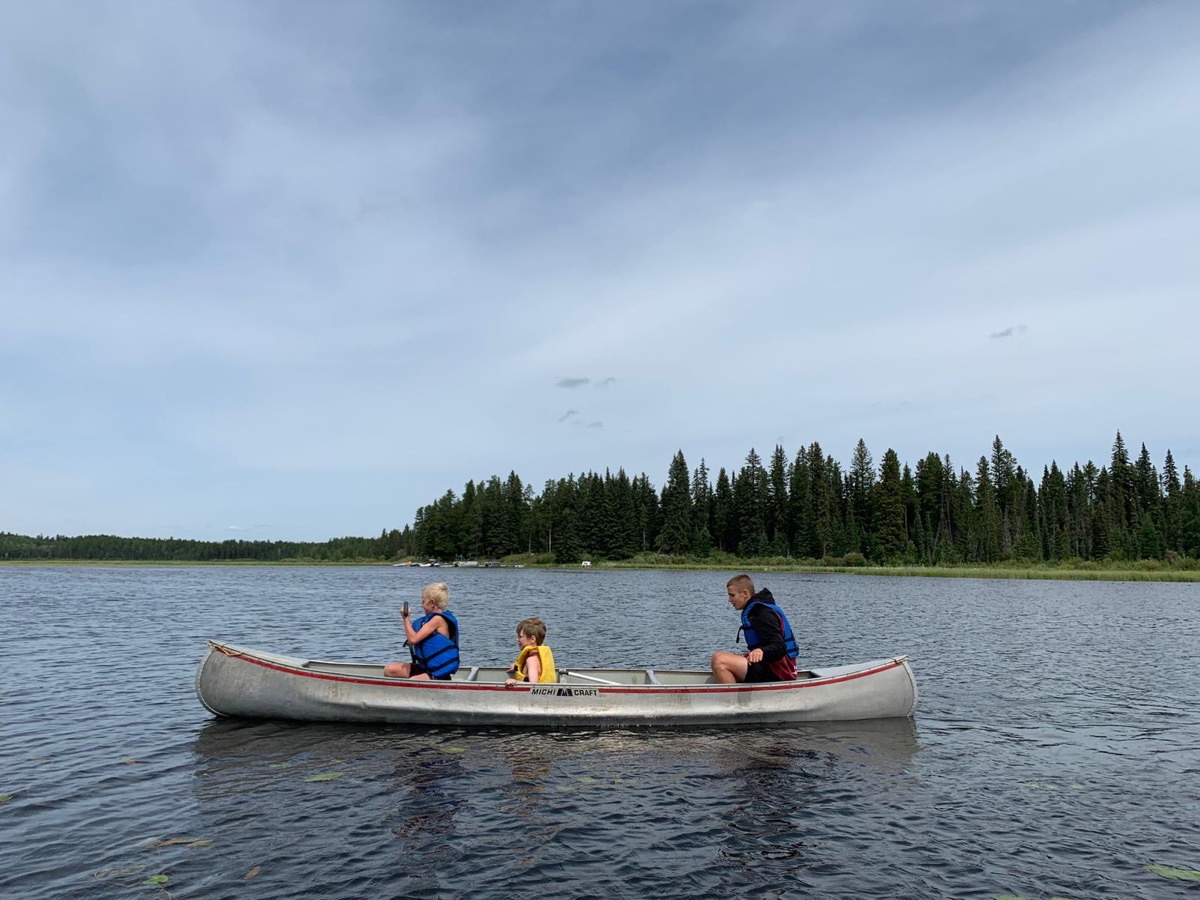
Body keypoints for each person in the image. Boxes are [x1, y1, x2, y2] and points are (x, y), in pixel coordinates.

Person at [710, 574, 798, 684]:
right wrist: (754, 653)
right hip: (769, 666)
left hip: (780, 671)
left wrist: (762, 651)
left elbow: (780, 647)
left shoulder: (762, 613)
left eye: (732, 595)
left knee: (721, 661)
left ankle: (730, 695)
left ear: (745, 594)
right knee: (717, 656)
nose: (729, 600)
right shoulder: (755, 610)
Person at [383, 582, 460, 680]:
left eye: (423, 602)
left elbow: (413, 640)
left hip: (437, 672)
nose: (422, 605)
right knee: (389, 670)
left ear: (432, 603)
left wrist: (406, 618)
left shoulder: (438, 620)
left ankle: (439, 680)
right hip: (425, 667)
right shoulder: (430, 620)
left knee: (413, 681)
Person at [505, 617, 557, 686]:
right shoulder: (537, 656)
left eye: (520, 637)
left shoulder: (531, 660)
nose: (517, 639)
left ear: (532, 639)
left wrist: (515, 682)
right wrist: (516, 667)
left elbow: (533, 685)